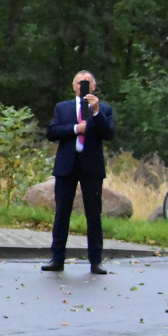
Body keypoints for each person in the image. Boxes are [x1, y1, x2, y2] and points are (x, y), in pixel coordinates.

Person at [41, 70, 115, 275]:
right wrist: (76, 129)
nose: (83, 85)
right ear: (73, 86)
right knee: (62, 213)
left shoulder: (104, 110)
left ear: (94, 86)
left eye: (87, 82)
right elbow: (52, 132)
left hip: (91, 167)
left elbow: (108, 134)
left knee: (93, 215)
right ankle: (57, 258)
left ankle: (96, 261)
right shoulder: (62, 108)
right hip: (67, 166)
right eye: (79, 82)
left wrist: (96, 111)